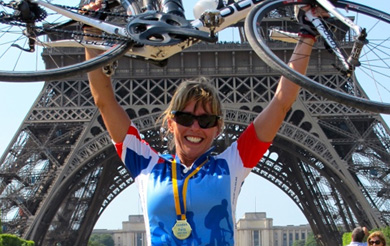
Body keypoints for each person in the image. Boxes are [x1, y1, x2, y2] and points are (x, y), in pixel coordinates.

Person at [83, 2, 325, 245]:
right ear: (170, 123)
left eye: (206, 120)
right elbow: (104, 101)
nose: (195, 128)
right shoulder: (145, 165)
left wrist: (307, 35)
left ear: (218, 127)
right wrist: (90, 31)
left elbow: (282, 101)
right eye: (185, 118)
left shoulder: (232, 165)